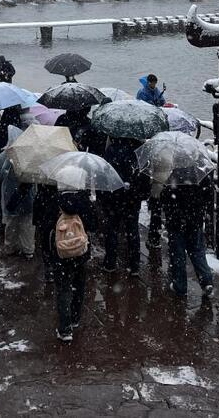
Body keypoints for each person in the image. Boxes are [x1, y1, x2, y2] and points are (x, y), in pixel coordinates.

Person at [50, 185, 94, 342]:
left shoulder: (54, 201)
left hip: (60, 255)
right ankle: (75, 318)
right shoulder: (83, 201)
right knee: (79, 286)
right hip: (80, 253)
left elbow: (45, 227)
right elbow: (94, 225)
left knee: (63, 289)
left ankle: (65, 328)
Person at [162, 176, 215, 297]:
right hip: (195, 222)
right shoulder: (199, 176)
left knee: (178, 255)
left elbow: (165, 198)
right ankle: (206, 280)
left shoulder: (172, 177)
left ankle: (180, 286)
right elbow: (209, 194)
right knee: (197, 253)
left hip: (176, 223)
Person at [101, 136, 144, 275]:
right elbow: (143, 176)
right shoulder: (139, 152)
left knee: (112, 230)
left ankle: (110, 262)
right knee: (132, 230)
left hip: (114, 197)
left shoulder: (112, 150)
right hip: (133, 198)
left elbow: (105, 174)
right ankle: (134, 265)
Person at [0, 106, 24, 234]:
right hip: (13, 172)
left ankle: (0, 225)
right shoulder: (18, 135)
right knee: (13, 199)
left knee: (0, 200)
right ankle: (13, 229)